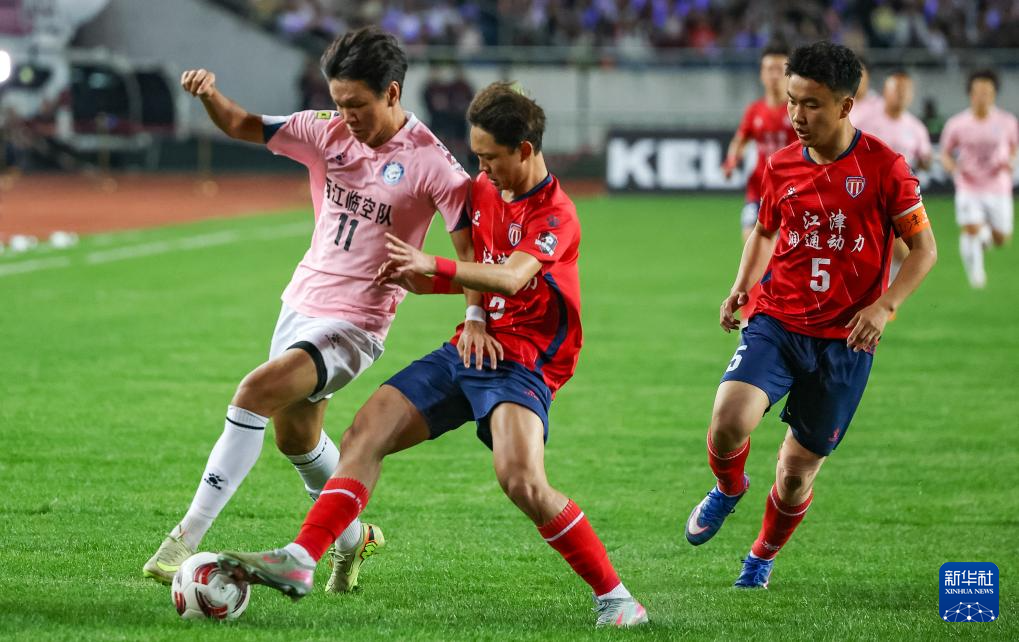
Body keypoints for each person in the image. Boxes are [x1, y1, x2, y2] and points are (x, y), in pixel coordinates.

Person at [213, 82, 649, 629]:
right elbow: (480, 273)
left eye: (490, 158)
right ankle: (301, 558)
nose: (481, 170)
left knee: (521, 481)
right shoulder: (484, 191)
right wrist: (426, 284)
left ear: (525, 150)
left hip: (525, 363)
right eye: (476, 156)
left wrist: (433, 266)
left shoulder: (556, 214)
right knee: (364, 434)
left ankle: (618, 599)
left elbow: (512, 278)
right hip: (470, 347)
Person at [142, 27, 474, 595]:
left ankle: (182, 540)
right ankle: (353, 538)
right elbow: (243, 125)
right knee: (295, 440)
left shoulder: (433, 164)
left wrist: (466, 313)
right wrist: (210, 96)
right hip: (300, 303)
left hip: (356, 324)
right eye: (338, 102)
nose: (346, 116)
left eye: (357, 104)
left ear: (393, 93)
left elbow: (469, 257)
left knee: (254, 391)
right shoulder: (325, 130)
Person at [683, 41, 937, 589]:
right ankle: (728, 487)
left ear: (846, 106)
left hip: (846, 342)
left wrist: (885, 304)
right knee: (728, 421)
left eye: (812, 104)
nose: (796, 115)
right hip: (778, 321)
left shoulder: (886, 168)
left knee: (796, 474)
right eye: (792, 101)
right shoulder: (780, 165)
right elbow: (765, 232)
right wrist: (741, 287)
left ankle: (761, 555)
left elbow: (924, 250)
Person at [939, 69, 1018, 289]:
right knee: (971, 228)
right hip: (969, 184)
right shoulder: (957, 123)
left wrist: (1011, 161)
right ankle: (976, 277)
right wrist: (953, 168)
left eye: (987, 92)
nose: (982, 97)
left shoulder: (1007, 122)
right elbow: (945, 153)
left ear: (994, 94)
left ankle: (982, 238)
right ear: (970, 94)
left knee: (1001, 239)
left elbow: (1014, 147)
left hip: (998, 185)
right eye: (978, 92)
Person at [859, 69, 933, 283]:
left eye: (905, 90)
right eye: (896, 89)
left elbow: (925, 159)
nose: (900, 95)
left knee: (907, 249)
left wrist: (925, 161)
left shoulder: (916, 127)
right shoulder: (866, 121)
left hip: (902, 197)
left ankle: (883, 290)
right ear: (885, 92)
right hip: (869, 194)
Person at [723, 43, 797, 242]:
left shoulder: (798, 111)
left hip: (791, 190)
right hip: (759, 189)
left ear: (790, 74)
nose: (774, 75)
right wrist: (731, 160)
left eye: (779, 69)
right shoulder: (754, 110)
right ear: (761, 74)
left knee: (783, 249)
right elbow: (740, 140)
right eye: (769, 69)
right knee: (750, 241)